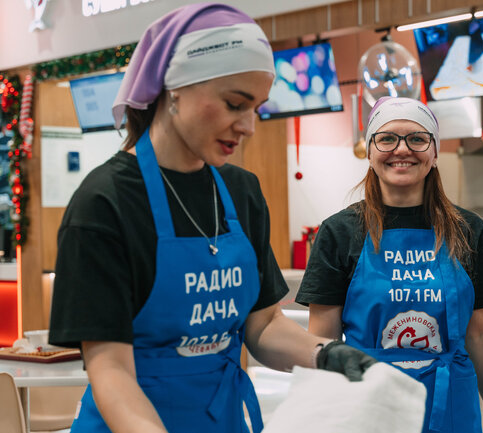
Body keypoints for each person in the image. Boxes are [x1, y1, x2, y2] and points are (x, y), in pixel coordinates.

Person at [48, 4, 375, 433]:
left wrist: (325, 354)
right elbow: (111, 371)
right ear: (174, 88)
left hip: (221, 418)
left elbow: (263, 325)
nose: (249, 126)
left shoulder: (242, 192)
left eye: (256, 107)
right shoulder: (105, 204)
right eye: (234, 104)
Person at [296, 97, 483, 433]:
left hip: (452, 402)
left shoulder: (467, 229)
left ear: (435, 152)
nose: (402, 149)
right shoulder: (339, 233)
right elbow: (323, 339)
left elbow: (481, 332)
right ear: (369, 152)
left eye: (417, 138)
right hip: (367, 403)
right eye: (387, 138)